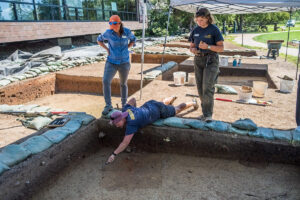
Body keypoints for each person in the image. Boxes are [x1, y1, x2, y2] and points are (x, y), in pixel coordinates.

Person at [105, 96, 198, 164]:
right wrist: (137, 111)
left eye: (116, 124)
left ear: (122, 119)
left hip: (158, 111)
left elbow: (125, 143)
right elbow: (133, 99)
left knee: (177, 109)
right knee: (162, 103)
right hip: (150, 104)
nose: (116, 126)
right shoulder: (125, 109)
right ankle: (171, 98)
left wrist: (114, 154)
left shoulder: (132, 124)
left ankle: (193, 102)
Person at [189, 8, 224, 122]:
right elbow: (191, 46)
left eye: (202, 20)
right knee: (200, 88)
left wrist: (208, 47)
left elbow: (221, 48)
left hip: (211, 60)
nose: (199, 22)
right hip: (198, 60)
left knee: (207, 88)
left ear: (208, 18)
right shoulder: (195, 30)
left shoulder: (214, 30)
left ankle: (208, 115)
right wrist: (194, 50)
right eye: (197, 20)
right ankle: (205, 113)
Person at [97, 15, 136, 115]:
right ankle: (108, 105)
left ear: (119, 23)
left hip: (124, 63)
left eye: (114, 23)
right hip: (111, 62)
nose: (112, 26)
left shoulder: (127, 31)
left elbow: (133, 39)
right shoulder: (108, 33)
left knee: (123, 84)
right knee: (105, 81)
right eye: (110, 23)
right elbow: (99, 40)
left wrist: (127, 47)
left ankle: (124, 105)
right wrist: (107, 49)